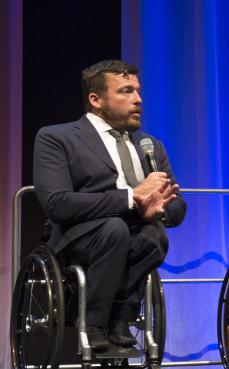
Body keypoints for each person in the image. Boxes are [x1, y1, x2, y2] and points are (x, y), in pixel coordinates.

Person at [33, 60, 185, 351]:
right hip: (78, 239)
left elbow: (178, 207)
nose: (138, 100)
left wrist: (161, 208)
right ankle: (92, 322)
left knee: (154, 234)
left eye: (138, 92)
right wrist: (132, 198)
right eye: (126, 91)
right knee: (115, 229)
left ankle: (121, 318)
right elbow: (57, 204)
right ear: (96, 100)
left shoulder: (149, 144)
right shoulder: (57, 137)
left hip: (134, 238)